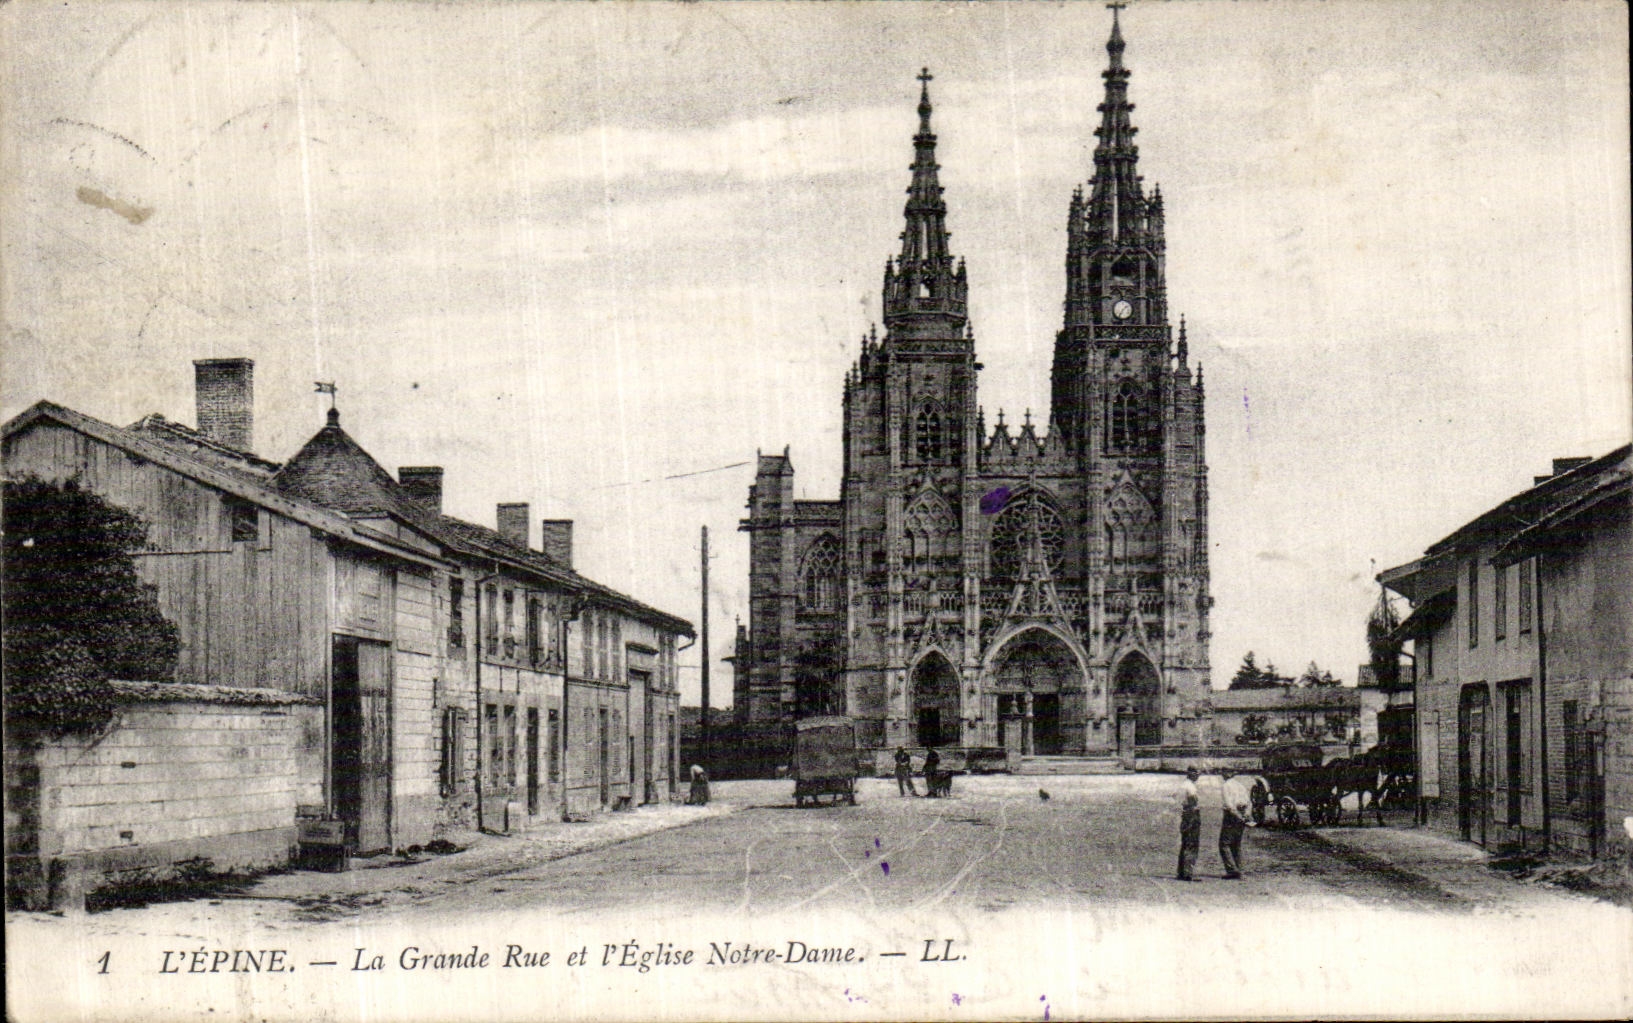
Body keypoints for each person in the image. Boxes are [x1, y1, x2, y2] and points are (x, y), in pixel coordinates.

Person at [1218, 767, 1256, 878]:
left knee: (1224, 844)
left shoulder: (1226, 786)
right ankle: (1240, 870)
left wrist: (1237, 816)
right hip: (1243, 813)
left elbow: (1229, 806)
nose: (1222, 774)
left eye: (1223, 771)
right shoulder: (1240, 785)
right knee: (1236, 844)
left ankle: (1232, 871)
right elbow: (1249, 802)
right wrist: (1246, 815)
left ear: (1228, 773)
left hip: (1232, 816)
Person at [1176, 765, 1201, 881]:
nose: (1198, 776)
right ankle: (1188, 872)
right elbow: (1193, 800)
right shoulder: (1190, 786)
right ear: (1190, 773)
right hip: (1191, 814)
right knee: (1191, 843)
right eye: (1196, 773)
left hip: (1185, 814)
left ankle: (1182, 871)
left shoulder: (1184, 785)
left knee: (1185, 843)